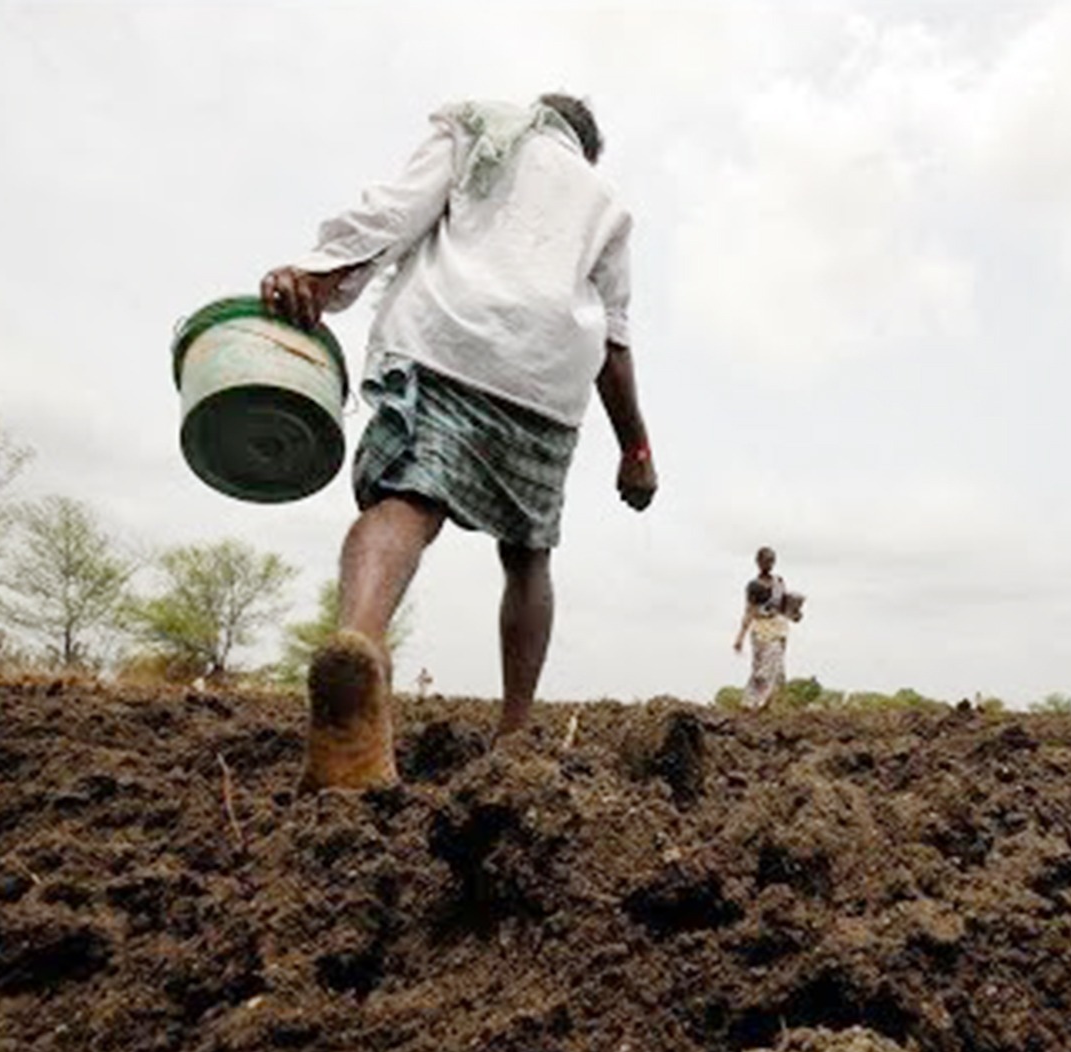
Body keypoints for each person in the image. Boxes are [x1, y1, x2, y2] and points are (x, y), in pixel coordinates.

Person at [260, 94, 657, 791]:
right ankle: (514, 734)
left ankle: (363, 648)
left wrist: (320, 275)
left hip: (447, 339)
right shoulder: (605, 202)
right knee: (528, 552)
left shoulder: (480, 131)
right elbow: (615, 343)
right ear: (587, 149)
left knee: (405, 501)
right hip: (545, 377)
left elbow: (394, 213)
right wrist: (637, 450)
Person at [732, 547, 800, 709]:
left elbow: (784, 605)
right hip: (761, 628)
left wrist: (795, 614)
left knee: (774, 664)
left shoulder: (779, 582)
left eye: (771, 560)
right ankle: (750, 702)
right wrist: (740, 636)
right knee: (760, 667)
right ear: (758, 562)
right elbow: (749, 610)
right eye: (765, 560)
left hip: (778, 627)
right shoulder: (754, 586)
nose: (768, 564)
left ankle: (763, 702)